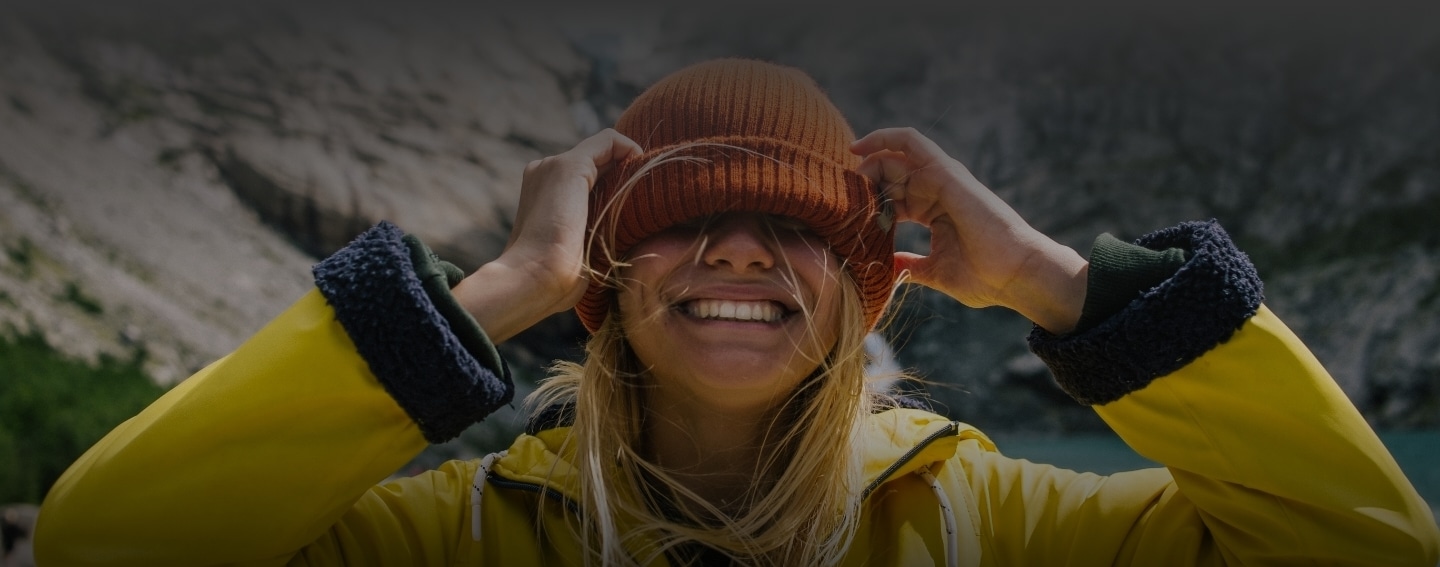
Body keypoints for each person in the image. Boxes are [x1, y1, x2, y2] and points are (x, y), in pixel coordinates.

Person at [33, 58, 1439, 566]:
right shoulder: (449, 538)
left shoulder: (1001, 527)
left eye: (799, 227)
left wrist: (1051, 284)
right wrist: (504, 291)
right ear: (603, 274)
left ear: (866, 282)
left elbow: (1374, 551)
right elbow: (107, 546)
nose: (742, 251)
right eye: (682, 221)